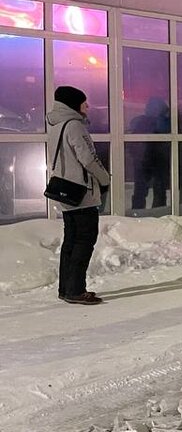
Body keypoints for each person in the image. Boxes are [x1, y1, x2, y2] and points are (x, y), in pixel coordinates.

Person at [47, 86, 111, 305]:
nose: (87, 106)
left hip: (66, 191)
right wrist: (104, 179)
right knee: (84, 240)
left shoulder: (56, 124)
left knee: (71, 241)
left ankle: (66, 288)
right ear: (73, 104)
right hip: (81, 192)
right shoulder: (75, 125)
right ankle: (76, 290)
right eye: (84, 103)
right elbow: (88, 158)